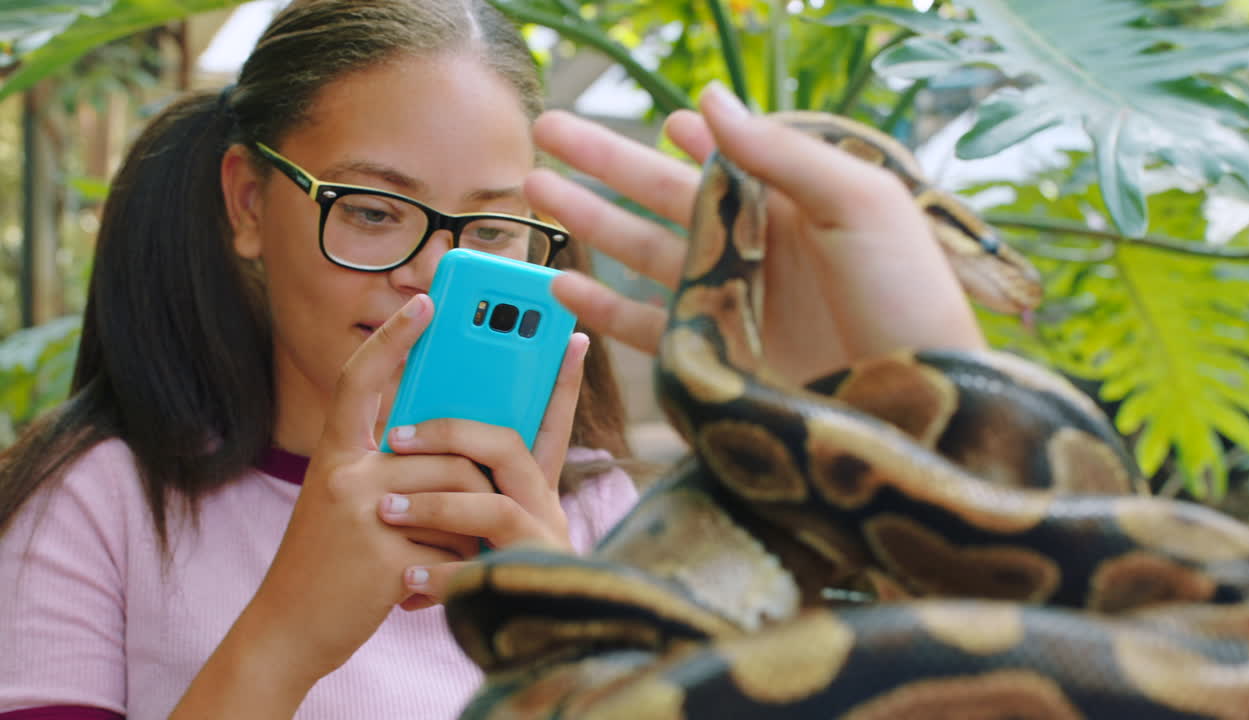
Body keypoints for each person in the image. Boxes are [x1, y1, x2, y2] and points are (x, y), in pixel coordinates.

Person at [0, 2, 984, 720]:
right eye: (373, 210)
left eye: (489, 234)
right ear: (250, 206)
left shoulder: (614, 521)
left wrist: (572, 650)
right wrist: (285, 637)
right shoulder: (103, 508)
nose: (427, 282)